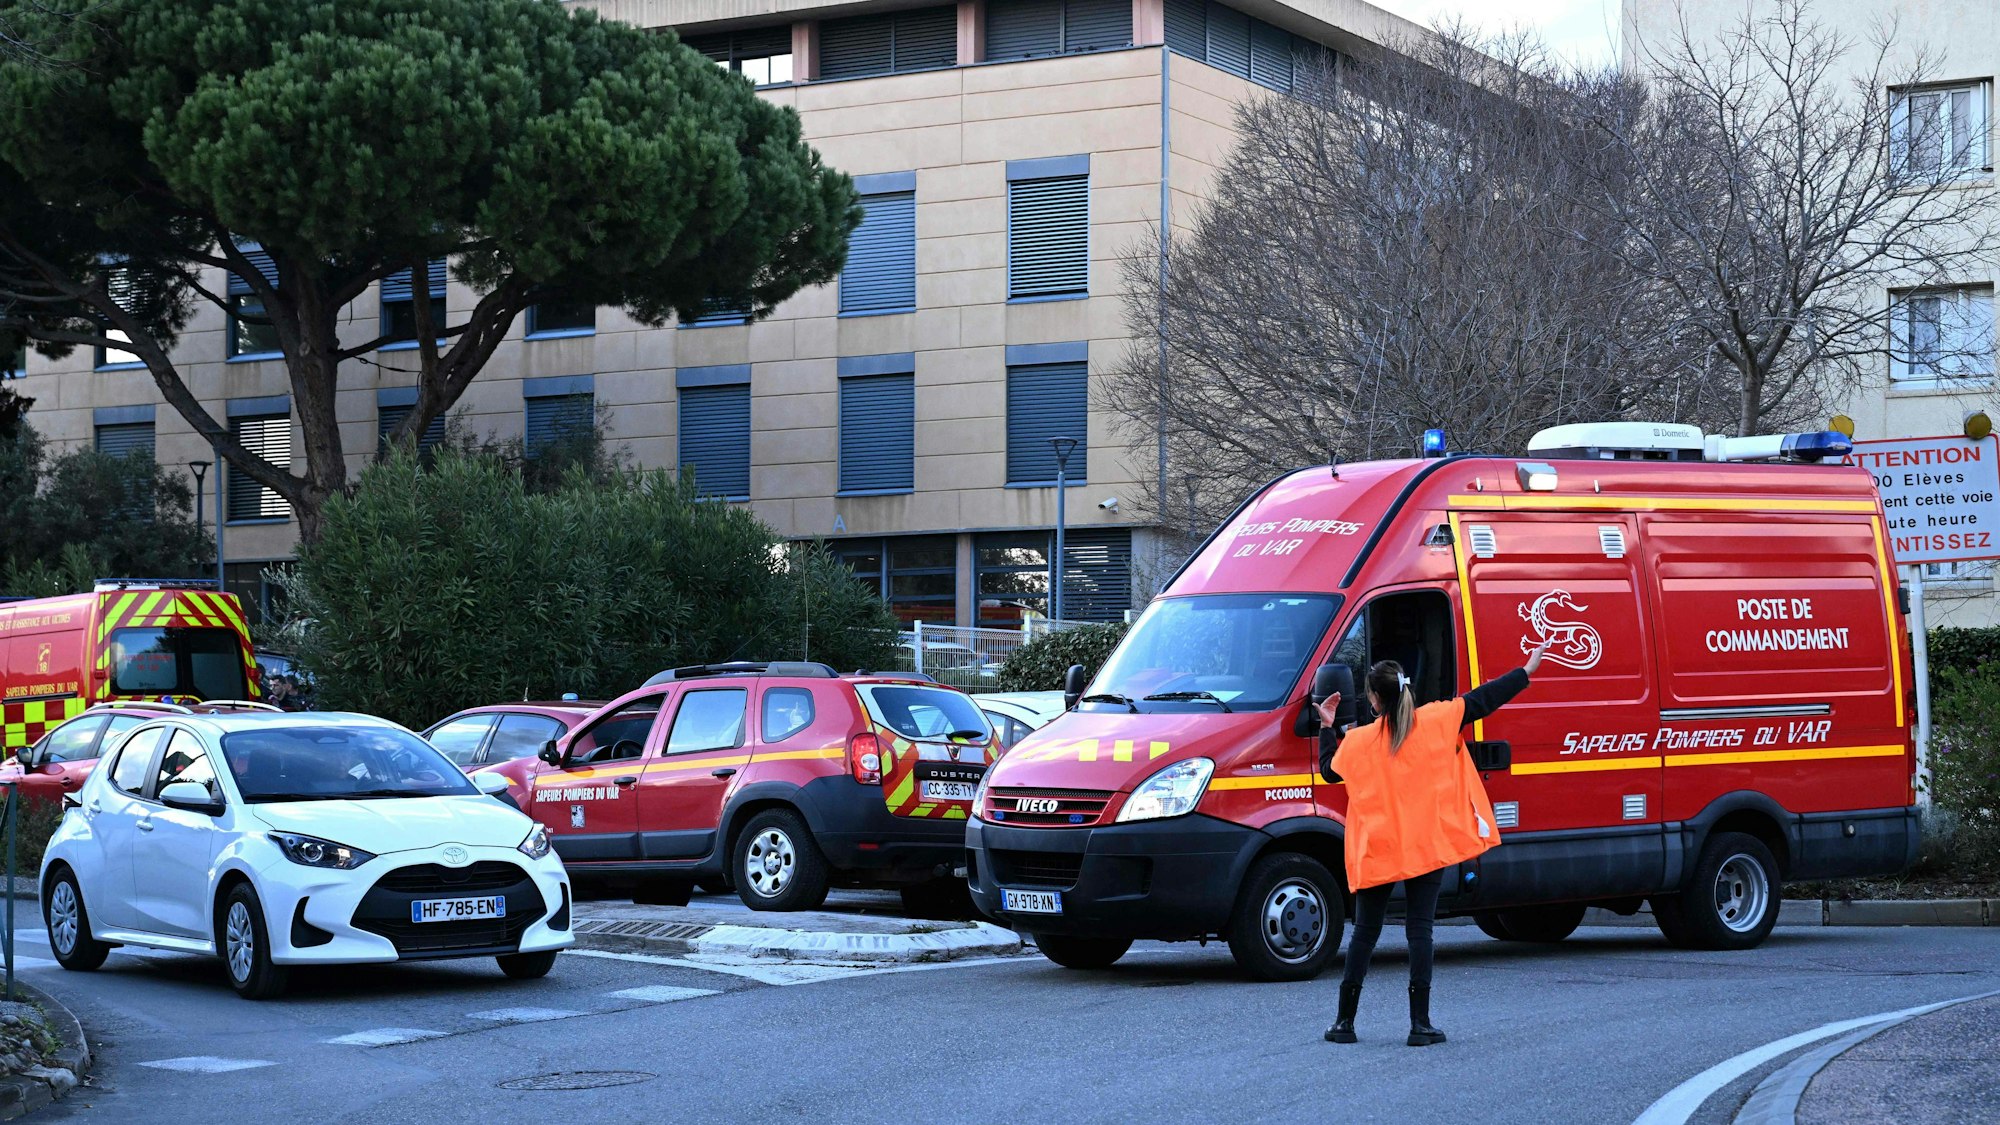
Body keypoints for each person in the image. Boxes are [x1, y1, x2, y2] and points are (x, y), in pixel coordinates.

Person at [1316, 639, 1550, 1047]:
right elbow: (1483, 700)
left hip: (1379, 849)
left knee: (1365, 934)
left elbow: (1328, 772)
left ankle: (1344, 1023)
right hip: (1426, 846)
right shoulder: (1439, 719)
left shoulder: (1357, 743)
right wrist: (1526, 671)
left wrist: (1326, 725)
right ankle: (1420, 1025)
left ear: (1374, 699)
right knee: (1419, 932)